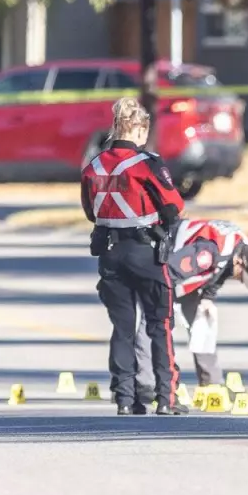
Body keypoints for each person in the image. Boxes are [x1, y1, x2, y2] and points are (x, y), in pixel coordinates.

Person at [81, 97, 185, 416]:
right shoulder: (147, 163)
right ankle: (166, 398)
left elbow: (90, 211)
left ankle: (125, 400)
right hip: (146, 253)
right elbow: (174, 207)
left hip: (111, 254)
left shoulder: (93, 166)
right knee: (159, 324)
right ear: (139, 128)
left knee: (123, 328)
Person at [133, 218, 248, 408]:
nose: (239, 280)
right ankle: (142, 384)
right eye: (241, 275)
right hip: (162, 263)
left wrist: (208, 298)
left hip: (183, 272)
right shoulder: (207, 253)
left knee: (204, 321)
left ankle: (212, 383)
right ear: (239, 261)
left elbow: (223, 272)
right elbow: (168, 271)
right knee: (154, 320)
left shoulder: (243, 246)